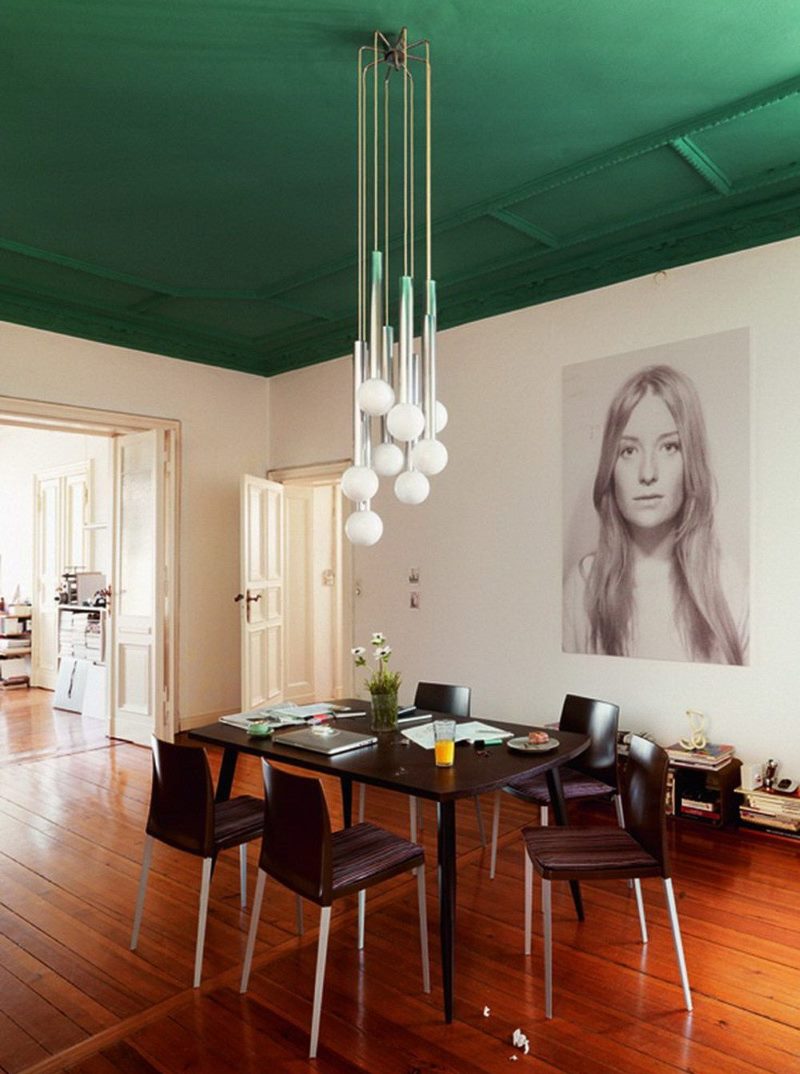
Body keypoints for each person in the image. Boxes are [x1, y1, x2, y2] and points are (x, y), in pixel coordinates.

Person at [563, 363, 747, 664]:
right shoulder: (583, 585)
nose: (648, 473)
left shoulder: (727, 582)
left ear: (692, 461)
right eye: (629, 451)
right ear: (610, 467)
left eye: (669, 447)